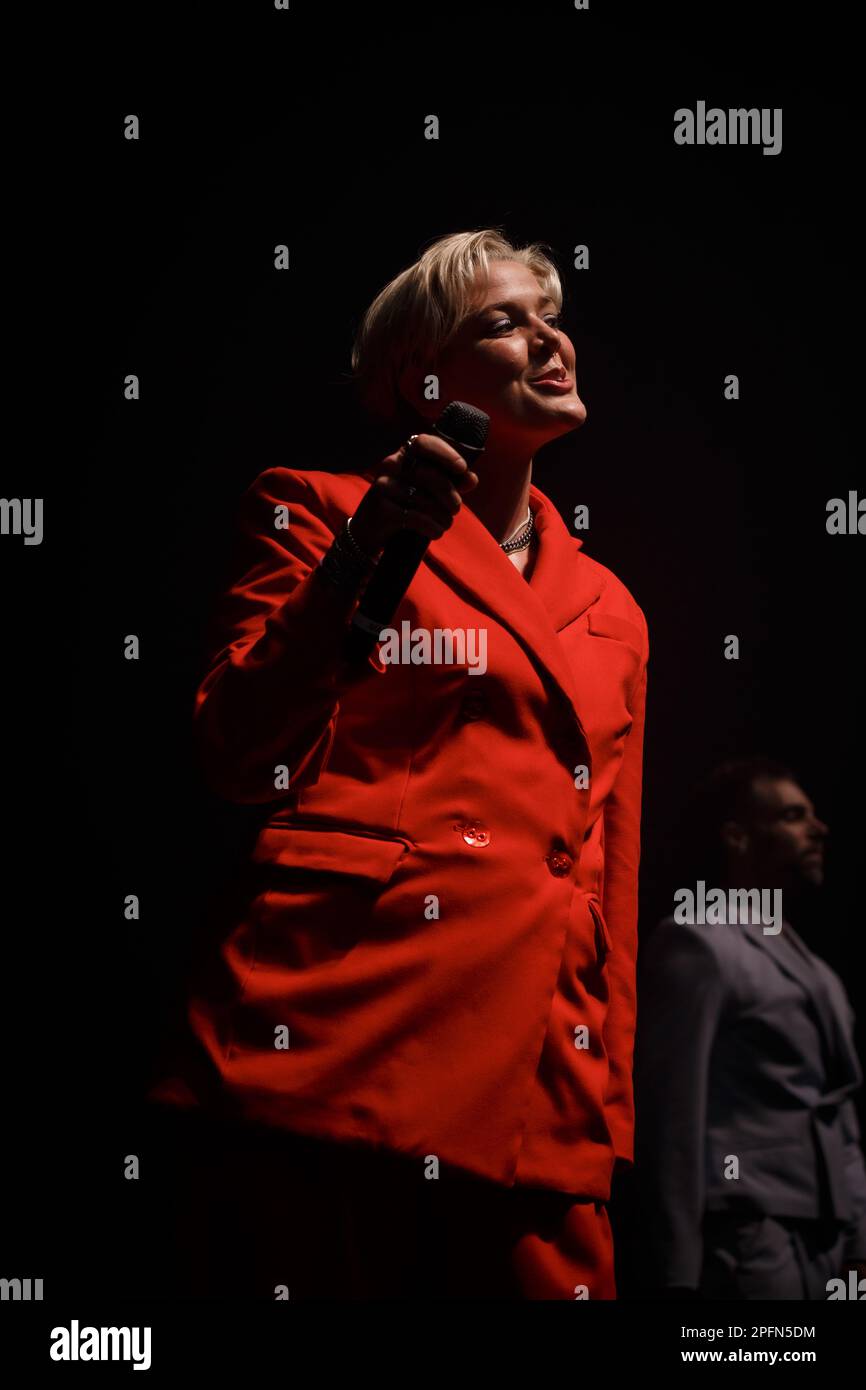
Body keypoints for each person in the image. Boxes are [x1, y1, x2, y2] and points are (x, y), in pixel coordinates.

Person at [148, 228, 650, 1300]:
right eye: (501, 323)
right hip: (343, 1026)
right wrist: (360, 556)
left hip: (540, 1082)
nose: (546, 341)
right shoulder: (316, 510)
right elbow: (236, 751)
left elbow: (605, 861)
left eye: (549, 316)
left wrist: (606, 1107)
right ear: (423, 379)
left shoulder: (612, 608)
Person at [633, 757, 866, 1299]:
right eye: (792, 815)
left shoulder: (819, 972)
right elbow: (671, 1117)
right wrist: (676, 1272)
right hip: (748, 1238)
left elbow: (840, 1113)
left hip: (828, 1242)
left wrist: (859, 1244)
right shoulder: (698, 942)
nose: (819, 827)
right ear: (737, 838)